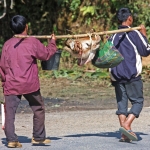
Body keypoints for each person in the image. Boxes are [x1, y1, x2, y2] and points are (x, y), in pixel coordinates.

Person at [0, 15, 57, 148]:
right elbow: (46, 54)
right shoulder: (32, 42)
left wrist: (4, 83)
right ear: (26, 26)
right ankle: (38, 137)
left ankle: (11, 140)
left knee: (10, 112)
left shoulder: (7, 45)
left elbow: (2, 66)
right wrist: (52, 42)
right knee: (38, 108)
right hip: (30, 84)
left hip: (12, 84)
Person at [109, 7, 150, 142]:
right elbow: (145, 51)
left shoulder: (112, 35)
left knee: (122, 105)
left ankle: (124, 134)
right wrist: (143, 34)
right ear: (130, 19)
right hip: (131, 75)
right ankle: (126, 126)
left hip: (116, 75)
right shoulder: (134, 34)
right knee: (138, 101)